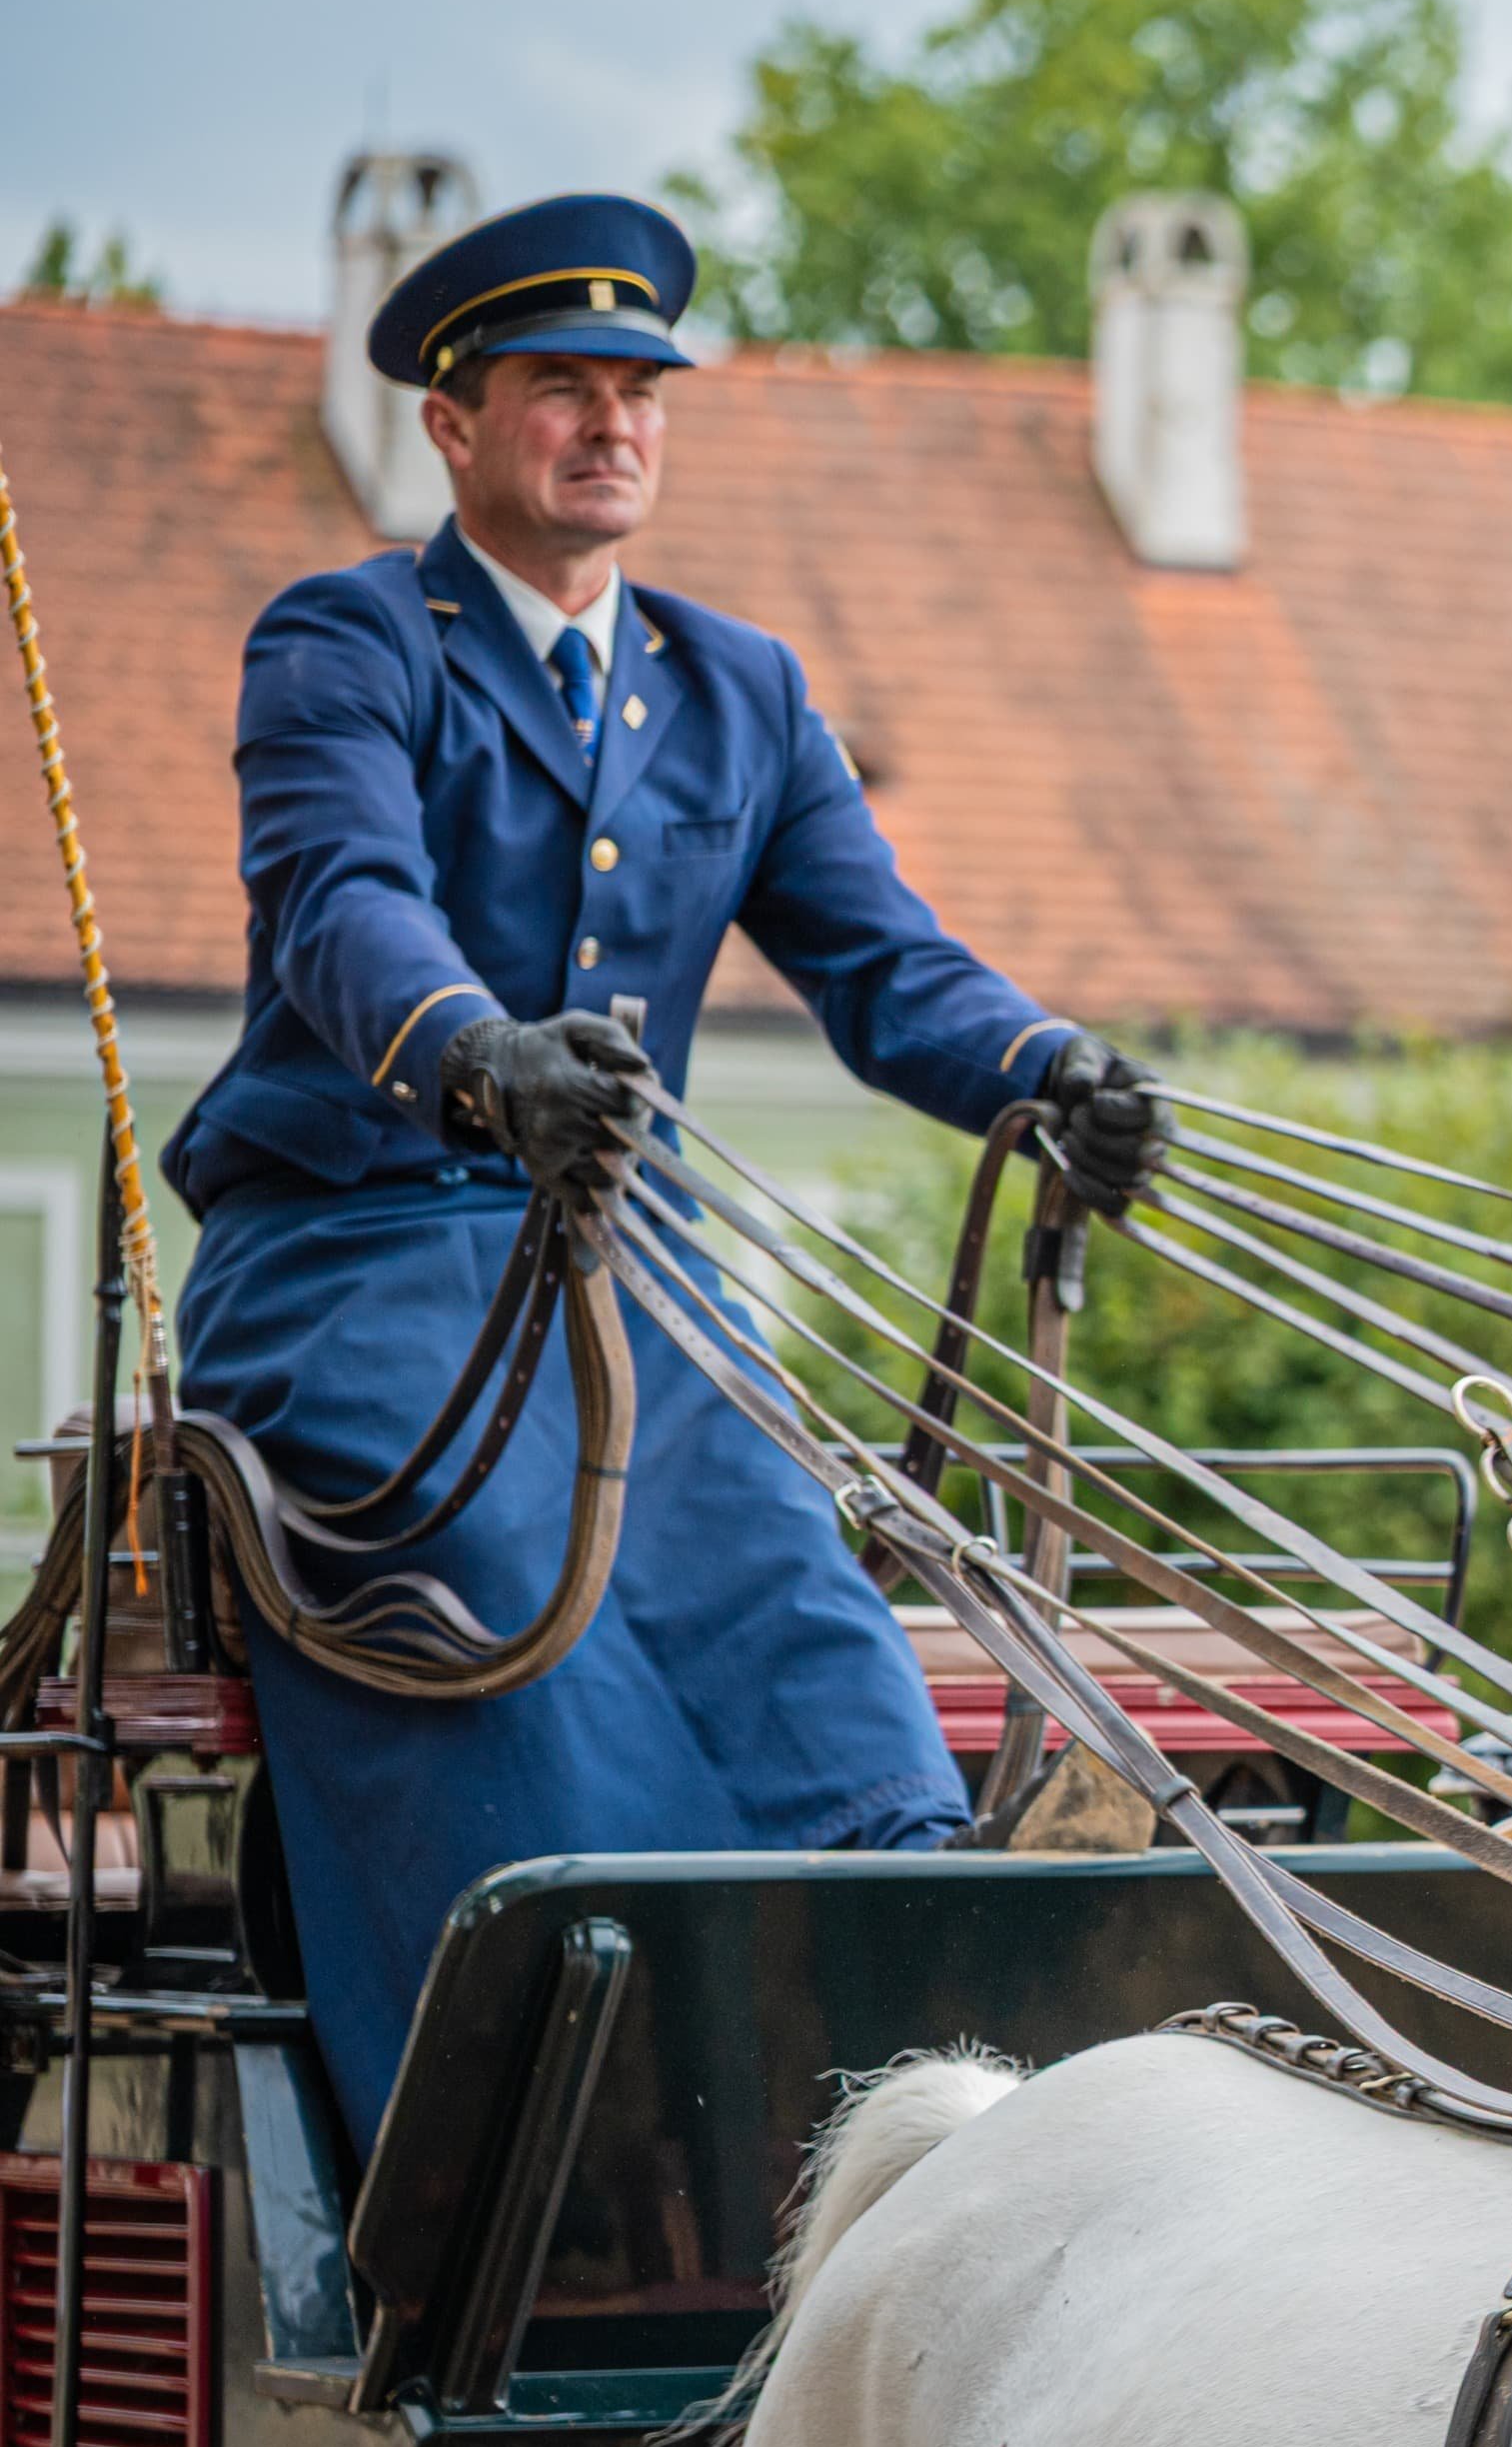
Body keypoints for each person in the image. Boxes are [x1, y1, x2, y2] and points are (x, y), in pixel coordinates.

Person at [161, 195, 1169, 2141]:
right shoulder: (348, 640)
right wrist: (476, 1060)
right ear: (453, 426)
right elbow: (339, 898)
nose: (611, 425)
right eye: (561, 389)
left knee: (805, 1620)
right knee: (512, 1615)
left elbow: (882, 964)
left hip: (635, 1280)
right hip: (351, 1267)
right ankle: (577, 2153)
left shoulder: (741, 687)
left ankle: (906, 2081)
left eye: (639, 392)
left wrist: (1047, 1071)